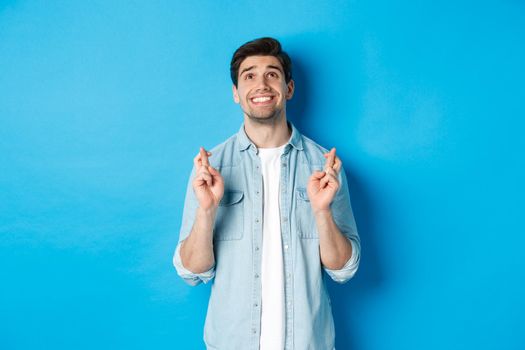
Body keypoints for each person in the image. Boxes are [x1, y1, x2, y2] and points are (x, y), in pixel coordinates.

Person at [173, 37, 361, 350]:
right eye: (249, 76)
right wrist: (206, 211)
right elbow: (191, 272)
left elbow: (343, 269)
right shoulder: (211, 168)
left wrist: (322, 211)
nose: (261, 84)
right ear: (236, 93)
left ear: (289, 88)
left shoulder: (325, 166)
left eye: (272, 74)